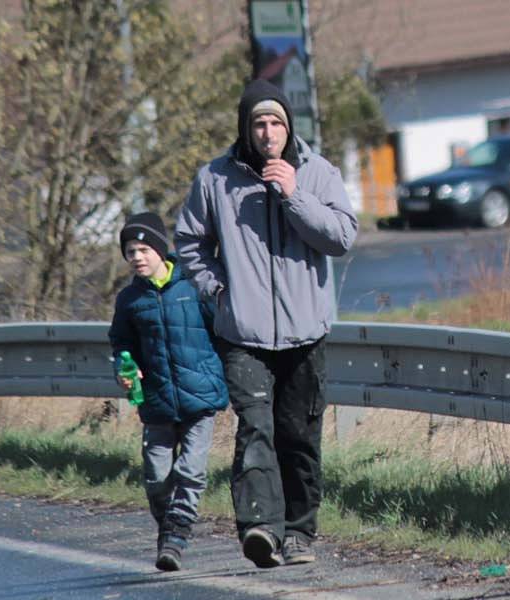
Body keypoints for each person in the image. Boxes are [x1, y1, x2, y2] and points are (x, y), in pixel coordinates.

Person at [174, 79, 357, 568]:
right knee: (255, 430)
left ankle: (298, 533)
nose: (268, 131)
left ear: (288, 126)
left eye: (276, 122)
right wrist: (217, 290)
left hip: (305, 333)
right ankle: (260, 529)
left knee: (298, 435)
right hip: (244, 335)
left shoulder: (317, 173)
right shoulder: (215, 180)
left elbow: (341, 238)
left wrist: (295, 195)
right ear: (246, 128)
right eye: (259, 122)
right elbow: (189, 243)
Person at [108, 211, 228, 572]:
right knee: (156, 476)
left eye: (144, 249)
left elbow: (221, 332)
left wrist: (222, 375)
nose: (137, 257)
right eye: (130, 251)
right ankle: (169, 529)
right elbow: (121, 344)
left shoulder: (192, 286)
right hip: (157, 401)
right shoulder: (129, 300)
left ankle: (176, 538)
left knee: (191, 470)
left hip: (200, 397)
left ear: (161, 250)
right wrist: (124, 369)